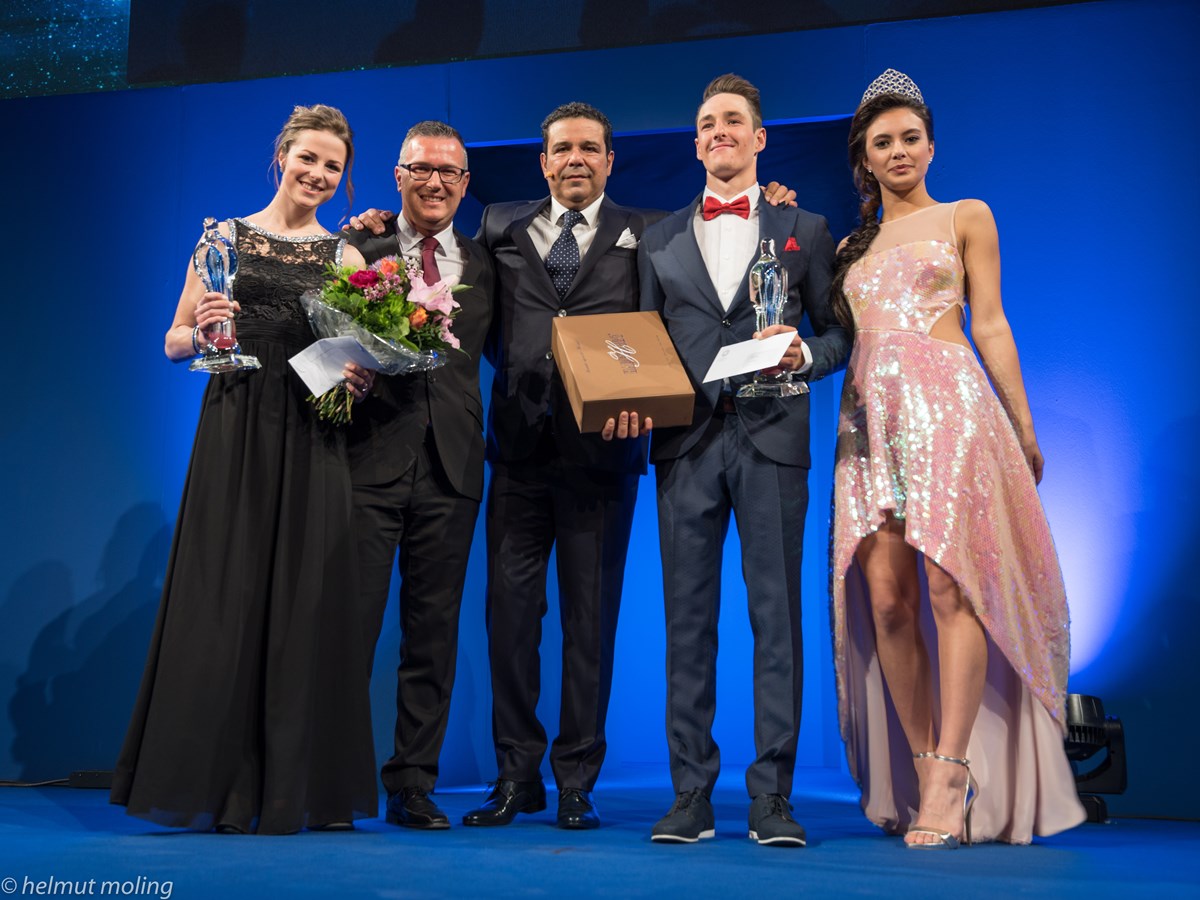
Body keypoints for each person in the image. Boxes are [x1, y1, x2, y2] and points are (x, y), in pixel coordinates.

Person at [828, 69, 1086, 847]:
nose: (899, 150)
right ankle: (915, 765)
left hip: (948, 410)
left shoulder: (966, 215)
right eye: (883, 142)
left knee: (951, 584)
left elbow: (993, 324)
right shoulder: (849, 246)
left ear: (931, 146)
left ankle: (951, 769)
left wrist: (1023, 423)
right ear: (864, 159)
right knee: (885, 598)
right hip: (867, 423)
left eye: (911, 137)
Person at [111, 104, 380, 834]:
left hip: (312, 438)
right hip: (234, 428)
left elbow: (356, 363)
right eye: (309, 160)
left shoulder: (346, 259)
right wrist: (193, 332)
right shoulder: (222, 238)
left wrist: (359, 379)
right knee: (224, 596)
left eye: (333, 167)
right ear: (281, 156)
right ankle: (221, 783)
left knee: (302, 600)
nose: (319, 175)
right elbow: (171, 342)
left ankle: (291, 786)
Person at [637, 74, 851, 846]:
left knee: (776, 623)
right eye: (706, 123)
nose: (719, 131)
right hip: (686, 445)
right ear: (695, 143)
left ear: (759, 139)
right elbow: (639, 345)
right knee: (686, 626)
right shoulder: (657, 239)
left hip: (772, 440)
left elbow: (837, 335)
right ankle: (690, 794)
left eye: (734, 121)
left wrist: (808, 355)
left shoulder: (807, 227)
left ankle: (773, 798)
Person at [463, 102, 664, 831]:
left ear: (610, 160)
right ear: (542, 162)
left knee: (590, 624)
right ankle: (517, 777)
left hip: (603, 458)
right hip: (516, 454)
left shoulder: (650, 232)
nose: (574, 159)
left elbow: (660, 336)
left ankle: (577, 779)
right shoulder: (497, 227)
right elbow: (463, 305)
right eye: (561, 149)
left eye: (589, 148)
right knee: (509, 622)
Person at [343, 121, 495, 830]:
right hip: (366, 460)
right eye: (421, 169)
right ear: (397, 175)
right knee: (347, 626)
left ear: (466, 184)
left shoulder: (489, 261)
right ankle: (332, 778)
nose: (435, 183)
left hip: (454, 466)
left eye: (450, 173)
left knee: (432, 635)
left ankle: (412, 784)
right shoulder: (358, 247)